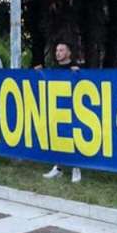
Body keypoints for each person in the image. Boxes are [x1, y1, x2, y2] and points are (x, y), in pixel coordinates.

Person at [37, 41, 82, 183]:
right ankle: (58, 168)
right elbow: (48, 84)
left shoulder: (75, 68)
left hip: (73, 108)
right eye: (57, 50)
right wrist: (40, 73)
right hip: (58, 108)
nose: (58, 52)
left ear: (69, 53)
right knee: (59, 138)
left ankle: (76, 168)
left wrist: (78, 74)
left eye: (61, 50)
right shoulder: (53, 69)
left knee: (73, 138)